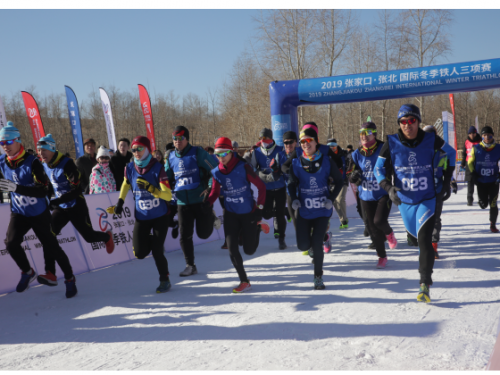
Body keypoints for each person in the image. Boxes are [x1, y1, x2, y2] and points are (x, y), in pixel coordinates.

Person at [375, 104, 446, 303]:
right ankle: (410, 236)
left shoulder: (432, 139)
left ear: (419, 122)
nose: (408, 125)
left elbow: (448, 156)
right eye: (404, 122)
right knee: (415, 237)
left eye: (412, 121)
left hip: (427, 198)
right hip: (405, 201)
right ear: (399, 124)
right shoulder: (390, 142)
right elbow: (378, 170)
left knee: (425, 240)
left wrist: (446, 182)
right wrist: (388, 188)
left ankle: (425, 283)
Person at [0, 123, 77, 298]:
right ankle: (27, 271)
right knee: (11, 243)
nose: (5, 145)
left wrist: (16, 188)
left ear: (18, 140)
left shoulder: (33, 162)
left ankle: (70, 278)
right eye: (2, 142)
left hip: (38, 212)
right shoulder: (2, 162)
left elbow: (43, 190)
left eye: (9, 141)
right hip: (19, 211)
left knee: (52, 247)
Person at [37, 135, 114, 281]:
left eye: (43, 150)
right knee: (48, 235)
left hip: (76, 205)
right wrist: (46, 199)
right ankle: (50, 272)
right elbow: (47, 186)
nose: (41, 154)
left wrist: (57, 200)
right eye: (39, 151)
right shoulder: (44, 165)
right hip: (61, 207)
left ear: (52, 149)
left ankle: (106, 236)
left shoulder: (67, 164)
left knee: (89, 237)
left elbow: (77, 190)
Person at [107, 136, 174, 293]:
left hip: (160, 216)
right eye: (134, 149)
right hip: (142, 217)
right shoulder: (130, 167)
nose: (136, 152)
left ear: (147, 149)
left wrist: (153, 190)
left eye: (139, 149)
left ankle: (165, 279)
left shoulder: (158, 168)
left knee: (157, 252)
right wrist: (120, 203)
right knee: (139, 253)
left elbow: (168, 196)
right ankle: (154, 241)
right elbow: (125, 184)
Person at [207, 137, 270, 292]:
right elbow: (215, 191)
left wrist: (259, 209)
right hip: (230, 214)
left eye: (223, 154)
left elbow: (261, 187)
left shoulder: (243, 167)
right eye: (217, 154)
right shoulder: (216, 171)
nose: (220, 157)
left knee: (249, 250)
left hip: (248, 212)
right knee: (232, 248)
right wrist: (206, 204)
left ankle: (257, 228)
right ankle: (244, 280)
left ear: (231, 152)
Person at [288, 127, 343, 289]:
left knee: (317, 243)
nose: (305, 144)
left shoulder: (326, 161)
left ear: (316, 142)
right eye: (302, 142)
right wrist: (295, 199)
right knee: (303, 245)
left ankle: (318, 277)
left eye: (308, 141)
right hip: (304, 210)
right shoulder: (296, 163)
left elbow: (339, 181)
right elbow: (291, 183)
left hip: (322, 210)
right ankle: (313, 245)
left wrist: (331, 199)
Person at [165, 126, 220, 277]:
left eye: (180, 138)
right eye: (175, 139)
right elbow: (166, 178)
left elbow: (215, 170)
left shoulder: (198, 153)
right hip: (182, 202)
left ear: (187, 139)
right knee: (185, 235)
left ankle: (211, 216)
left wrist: (209, 187)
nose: (177, 142)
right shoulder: (170, 156)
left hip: (200, 199)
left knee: (203, 234)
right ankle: (190, 265)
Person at [349, 122, 397, 268]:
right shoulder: (356, 154)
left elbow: (394, 166)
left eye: (367, 133)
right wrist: (354, 176)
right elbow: (350, 175)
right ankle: (382, 257)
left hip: (382, 192)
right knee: (371, 228)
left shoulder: (383, 148)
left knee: (379, 221)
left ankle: (389, 232)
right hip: (365, 195)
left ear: (374, 134)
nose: (363, 136)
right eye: (361, 133)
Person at [248, 128, 288, 250]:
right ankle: (284, 211)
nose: (263, 141)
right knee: (266, 214)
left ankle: (281, 239)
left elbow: (285, 166)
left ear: (271, 139)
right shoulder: (256, 152)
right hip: (266, 189)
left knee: (279, 215)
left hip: (280, 187)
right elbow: (252, 168)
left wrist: (278, 172)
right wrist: (260, 175)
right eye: (261, 139)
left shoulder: (280, 149)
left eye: (265, 138)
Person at [423, 125, 456, 259]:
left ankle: (433, 247)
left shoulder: (443, 152)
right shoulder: (419, 151)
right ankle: (417, 240)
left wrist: (449, 183)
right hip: (421, 191)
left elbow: (447, 168)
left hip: (437, 188)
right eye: (427, 136)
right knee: (422, 219)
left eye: (433, 136)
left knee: (435, 219)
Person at [468, 126, 500, 233]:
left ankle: (493, 224)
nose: (487, 138)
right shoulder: (476, 148)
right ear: (481, 136)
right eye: (484, 135)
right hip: (481, 181)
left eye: (489, 135)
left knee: (493, 203)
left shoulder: (498, 148)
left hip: (494, 181)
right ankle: (482, 201)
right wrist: (473, 174)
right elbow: (470, 162)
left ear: (492, 135)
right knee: (483, 205)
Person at [327, 138, 349, 229]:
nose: (332, 149)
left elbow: (351, 164)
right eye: (330, 147)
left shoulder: (343, 154)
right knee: (335, 201)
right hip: (331, 182)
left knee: (339, 199)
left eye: (334, 147)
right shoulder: (325, 155)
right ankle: (343, 218)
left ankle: (343, 221)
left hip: (342, 181)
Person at [460, 126, 482, 206]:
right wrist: (462, 163)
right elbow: (464, 154)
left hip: (478, 164)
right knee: (470, 183)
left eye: (473, 133)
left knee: (480, 182)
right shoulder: (466, 142)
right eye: (470, 133)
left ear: (476, 133)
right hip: (469, 164)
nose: (472, 135)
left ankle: (481, 199)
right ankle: (469, 200)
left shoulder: (480, 141)